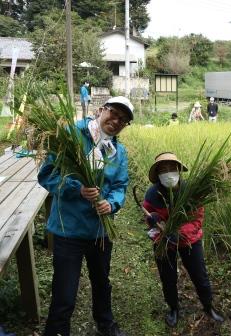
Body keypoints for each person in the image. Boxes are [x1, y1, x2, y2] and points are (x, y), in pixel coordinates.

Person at [38, 97, 134, 336]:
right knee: (64, 292)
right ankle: (58, 331)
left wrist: (111, 204)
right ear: (101, 110)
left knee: (102, 281)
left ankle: (105, 323)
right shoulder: (72, 135)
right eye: (114, 113)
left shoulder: (118, 151)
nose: (116, 121)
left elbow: (120, 185)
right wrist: (76, 189)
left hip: (100, 232)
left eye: (123, 120)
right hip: (68, 230)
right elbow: (47, 175)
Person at [142, 152, 224, 327]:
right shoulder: (152, 194)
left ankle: (208, 306)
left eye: (172, 168)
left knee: (199, 274)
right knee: (168, 277)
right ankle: (173, 308)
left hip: (189, 240)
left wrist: (179, 232)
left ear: (179, 170)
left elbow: (197, 218)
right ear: (157, 174)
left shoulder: (191, 191)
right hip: (163, 241)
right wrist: (154, 221)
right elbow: (148, 214)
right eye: (163, 169)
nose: (168, 172)